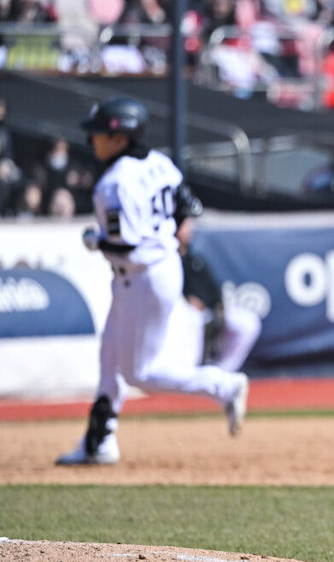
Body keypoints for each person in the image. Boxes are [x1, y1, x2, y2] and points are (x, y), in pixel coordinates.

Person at [56, 97, 249, 466]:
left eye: (99, 133)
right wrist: (166, 234)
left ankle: (223, 385)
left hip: (143, 276)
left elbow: (125, 244)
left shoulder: (113, 183)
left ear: (120, 137)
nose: (93, 140)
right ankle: (100, 441)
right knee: (109, 353)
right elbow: (188, 207)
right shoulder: (160, 163)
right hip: (155, 270)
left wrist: (95, 240)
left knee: (141, 373)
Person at [175, 205, 262, 373]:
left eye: (188, 225)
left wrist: (217, 304)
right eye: (183, 225)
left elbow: (212, 289)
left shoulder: (195, 260)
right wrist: (188, 300)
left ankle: (221, 373)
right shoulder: (166, 260)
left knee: (247, 324)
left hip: (207, 313)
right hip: (181, 316)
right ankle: (188, 374)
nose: (187, 230)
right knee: (191, 315)